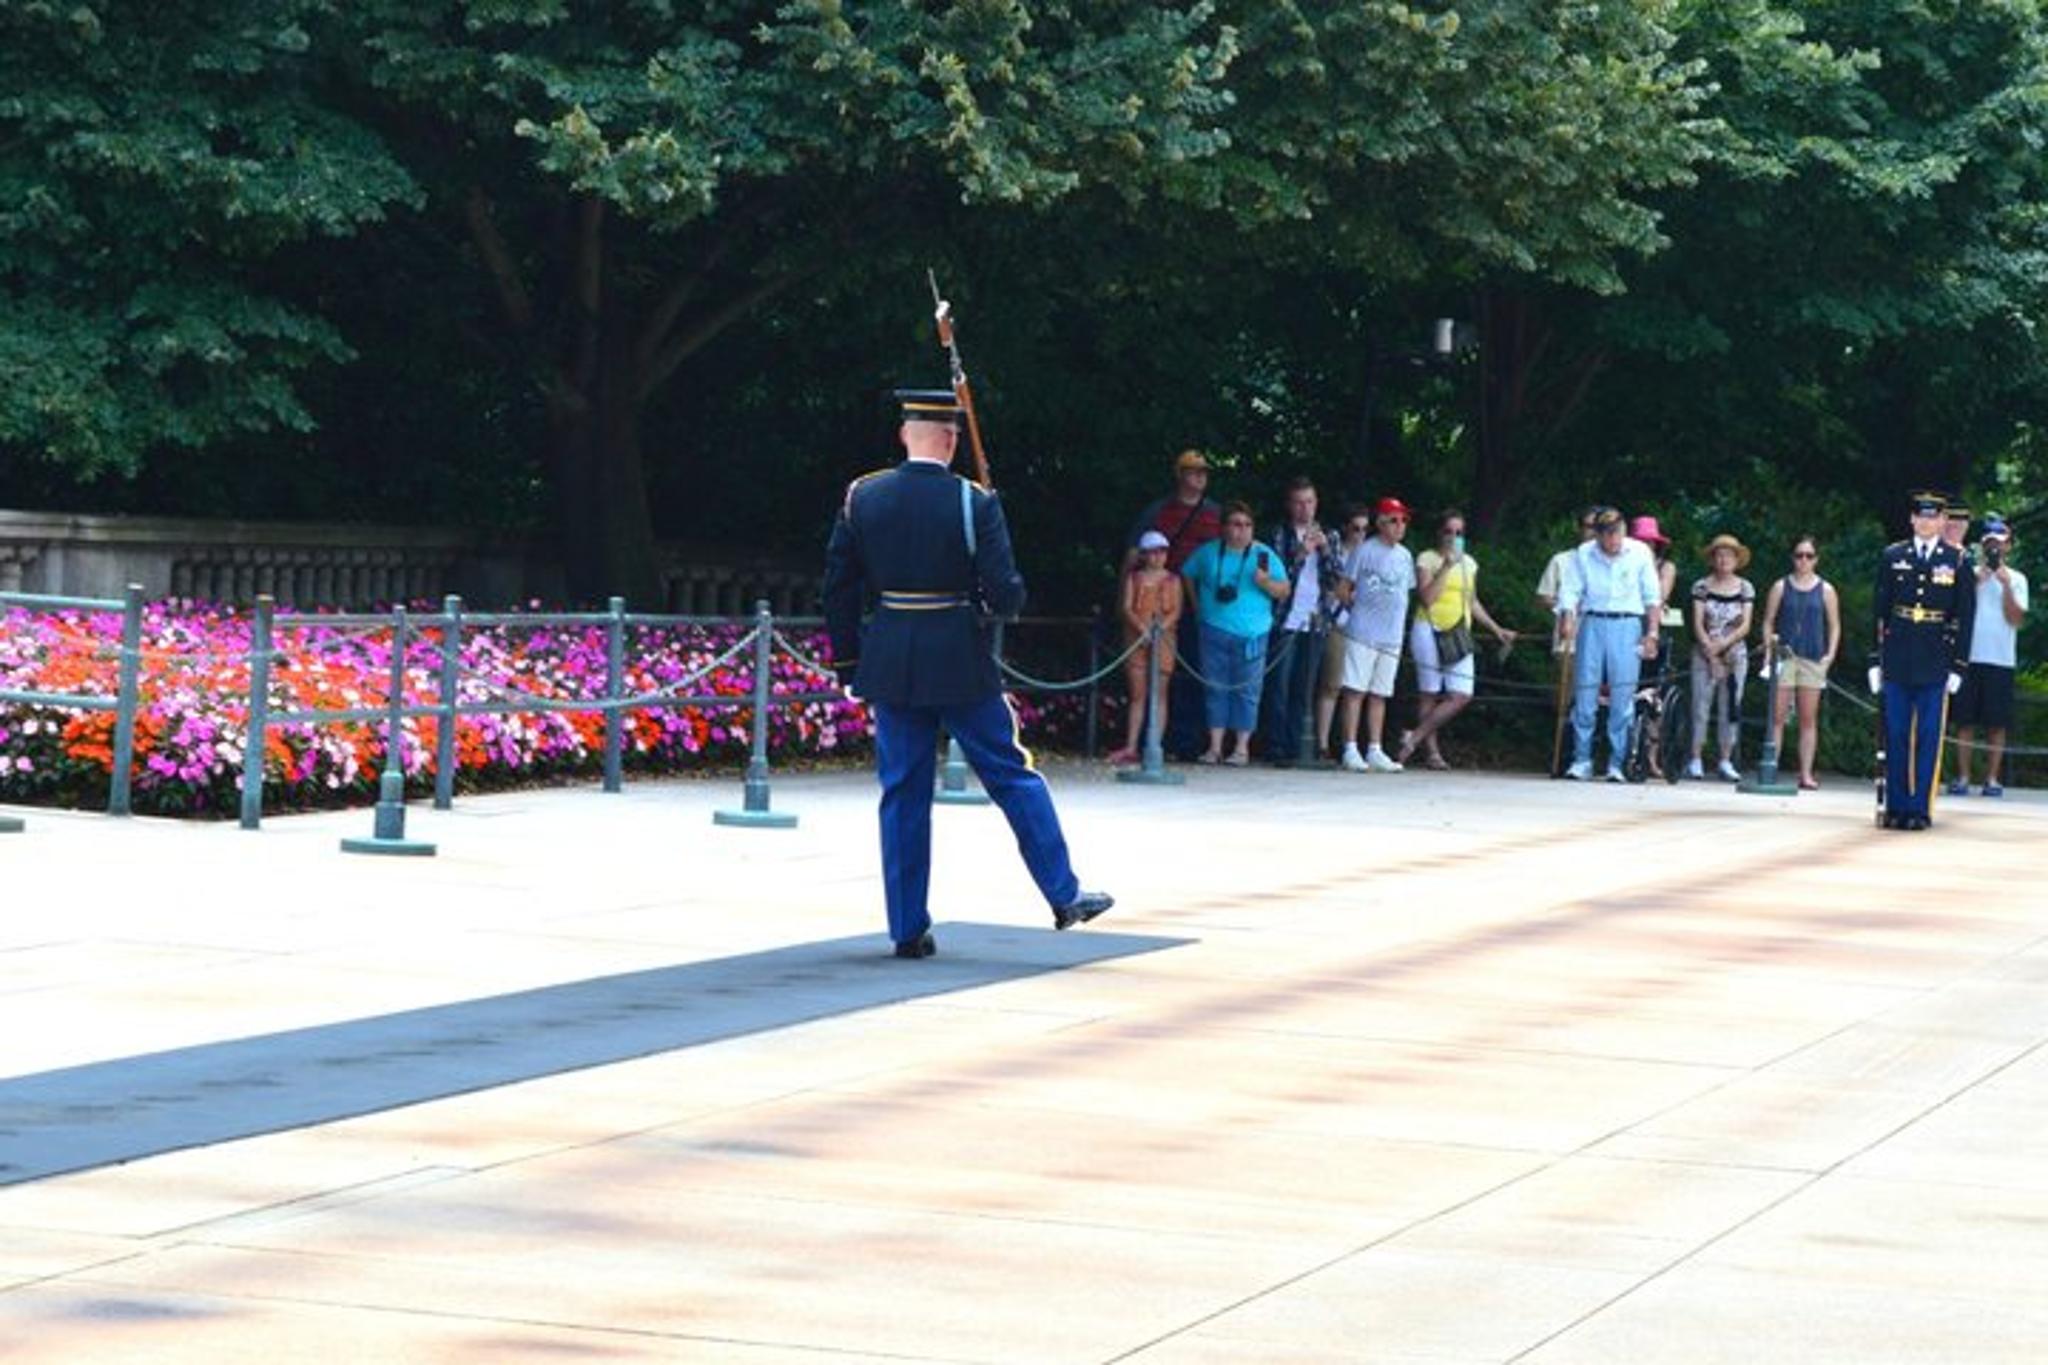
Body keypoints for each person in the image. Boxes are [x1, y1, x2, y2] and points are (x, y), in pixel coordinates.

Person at [823, 388, 1112, 957]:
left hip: (891, 659)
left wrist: (848, 661)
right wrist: (997, 596)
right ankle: (1063, 892)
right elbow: (1005, 594)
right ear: (951, 440)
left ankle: (907, 928)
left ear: (905, 435)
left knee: (902, 792)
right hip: (956, 657)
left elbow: (839, 589)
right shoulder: (973, 501)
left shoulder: (863, 496)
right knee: (1010, 774)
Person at [1872, 489, 1974, 831]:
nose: (1927, 522)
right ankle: (1897, 806)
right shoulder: (1893, 555)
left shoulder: (1957, 560)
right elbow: (1880, 611)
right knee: (1896, 732)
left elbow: (1965, 617)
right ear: (1912, 519)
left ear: (1943, 521)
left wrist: (1959, 664)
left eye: (1934, 517)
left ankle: (1919, 808)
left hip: (1935, 658)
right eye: (1921, 516)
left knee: (1929, 736)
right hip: (1898, 655)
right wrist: (1875, 659)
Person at [1398, 508, 1518, 768]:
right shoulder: (1427, 559)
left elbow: (1472, 601)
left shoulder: (1469, 563)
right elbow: (1427, 598)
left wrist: (1496, 629)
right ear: (1439, 533)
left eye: (1459, 533)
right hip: (1429, 628)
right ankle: (1432, 753)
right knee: (1429, 692)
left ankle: (1414, 738)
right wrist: (1447, 566)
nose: (1453, 537)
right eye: (1448, 531)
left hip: (1458, 631)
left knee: (1462, 693)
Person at [1555, 507, 1663, 781]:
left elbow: (1652, 596)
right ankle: (1581, 759)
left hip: (1627, 623)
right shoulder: (1585, 553)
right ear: (1598, 534)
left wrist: (1652, 633)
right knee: (1585, 691)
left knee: (1622, 695)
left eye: (1616, 533)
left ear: (1624, 530)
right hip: (1592, 621)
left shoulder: (1639, 552)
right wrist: (1567, 618)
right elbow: (1570, 589)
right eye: (1605, 534)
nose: (1611, 539)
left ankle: (1618, 762)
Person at [1127, 449, 1222, 759]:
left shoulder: (1215, 513)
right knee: (1152, 676)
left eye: (1204, 472)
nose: (1201, 477)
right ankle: (1150, 742)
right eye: (1194, 471)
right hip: (1155, 602)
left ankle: (1188, 741)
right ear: (1180, 474)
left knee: (1193, 670)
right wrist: (1126, 598)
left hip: (1198, 603)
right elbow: (1133, 555)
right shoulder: (1159, 512)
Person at [1181, 501, 1290, 764]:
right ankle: (1215, 746)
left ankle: (1242, 747)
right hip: (1214, 628)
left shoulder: (1263, 554)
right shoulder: (1208, 552)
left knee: (1248, 690)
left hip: (1253, 632)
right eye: (1236, 524)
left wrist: (1265, 582)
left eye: (1247, 525)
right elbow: (1186, 574)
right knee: (1214, 687)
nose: (1242, 530)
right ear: (1224, 527)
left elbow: (1284, 590)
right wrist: (1197, 607)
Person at [1259, 476, 1340, 766]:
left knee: (1304, 687)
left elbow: (1336, 579)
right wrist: (1301, 553)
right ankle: (1276, 745)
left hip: (1315, 620)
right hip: (1285, 620)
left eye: (1309, 502)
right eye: (1299, 503)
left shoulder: (1330, 535)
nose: (1305, 509)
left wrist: (1325, 551)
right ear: (1289, 505)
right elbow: (1277, 577)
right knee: (1279, 684)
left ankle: (1297, 746)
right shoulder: (1279, 535)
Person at [1335, 497, 1416, 773]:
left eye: (1403, 520)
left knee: (1380, 693)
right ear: (1380, 523)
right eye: (1394, 520)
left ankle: (1375, 748)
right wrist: (1356, 611)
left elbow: (1405, 592)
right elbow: (1343, 589)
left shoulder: (1405, 556)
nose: (1400, 525)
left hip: (1392, 635)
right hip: (1363, 633)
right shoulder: (1365, 551)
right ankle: (1349, 747)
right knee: (1355, 690)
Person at [1949, 517, 2029, 797]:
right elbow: (1955, 612)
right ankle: (1963, 776)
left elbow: (2016, 619)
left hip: (2001, 659)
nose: (1995, 549)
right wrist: (1976, 583)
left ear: (2008, 546)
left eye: (2000, 544)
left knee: (1997, 722)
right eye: (1990, 544)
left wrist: (2005, 585)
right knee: (1965, 721)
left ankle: (1992, 778)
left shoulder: (2017, 579)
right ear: (1983, 546)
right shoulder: (1969, 574)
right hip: (1969, 657)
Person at [1760, 534, 1841, 791]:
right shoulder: (1780, 586)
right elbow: (1768, 620)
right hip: (1784, 656)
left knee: (1808, 719)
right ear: (1792, 558)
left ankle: (1805, 773)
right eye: (1799, 555)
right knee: (1777, 717)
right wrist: (1769, 648)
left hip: (1812, 658)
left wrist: (1830, 655)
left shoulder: (1826, 589)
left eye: (1809, 556)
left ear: (1816, 559)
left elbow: (1835, 625)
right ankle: (1771, 767)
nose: (1803, 560)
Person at [1107, 530, 1183, 765]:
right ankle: (1131, 745)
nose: (1157, 557)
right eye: (1152, 552)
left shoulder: (1173, 580)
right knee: (1137, 695)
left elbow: (1176, 610)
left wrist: (1159, 629)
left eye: (1162, 552)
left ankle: (1154, 744)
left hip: (1164, 640)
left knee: (1160, 694)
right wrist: (1142, 629)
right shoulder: (1134, 578)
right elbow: (1127, 607)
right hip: (1136, 639)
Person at [1685, 534, 1757, 781]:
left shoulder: (1745, 588)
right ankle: (1696, 757)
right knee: (1700, 704)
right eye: (1719, 555)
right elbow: (1697, 622)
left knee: (1731, 706)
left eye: (1729, 555)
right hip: (1704, 651)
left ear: (1737, 559)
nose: (1724, 559)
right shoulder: (1701, 586)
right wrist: (1710, 650)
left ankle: (1725, 759)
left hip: (1734, 652)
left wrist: (1723, 646)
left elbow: (1746, 625)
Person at [1315, 507, 1373, 758]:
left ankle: (1349, 744)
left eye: (1365, 529)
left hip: (1364, 628)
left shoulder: (1371, 556)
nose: (1360, 534)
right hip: (1338, 623)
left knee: (1357, 687)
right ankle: (1322, 744)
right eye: (1356, 528)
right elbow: (1330, 585)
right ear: (1346, 528)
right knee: (1332, 684)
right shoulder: (1336, 553)